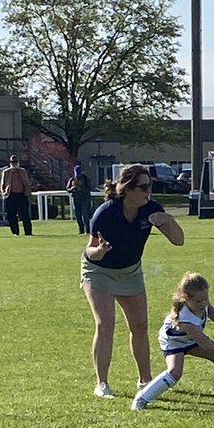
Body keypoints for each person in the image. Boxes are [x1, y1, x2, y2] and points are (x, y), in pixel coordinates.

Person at [82, 163, 184, 398]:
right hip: (99, 271)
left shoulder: (151, 209)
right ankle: (102, 384)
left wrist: (167, 220)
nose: (148, 191)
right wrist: (102, 250)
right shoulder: (106, 212)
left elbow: (179, 241)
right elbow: (90, 251)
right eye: (143, 187)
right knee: (105, 324)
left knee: (139, 326)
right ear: (127, 189)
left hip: (130, 271)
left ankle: (145, 380)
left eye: (150, 186)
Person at [131, 272, 214, 410]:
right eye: (199, 301)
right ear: (185, 298)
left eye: (205, 299)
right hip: (174, 342)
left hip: (191, 339)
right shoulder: (185, 320)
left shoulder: (200, 301)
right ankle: (142, 398)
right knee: (175, 372)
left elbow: (209, 308)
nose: (203, 303)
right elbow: (208, 345)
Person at [0, 155, 33, 236]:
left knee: (25, 214)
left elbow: (27, 183)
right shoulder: (6, 172)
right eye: (12, 162)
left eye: (15, 162)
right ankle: (15, 232)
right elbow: (2, 184)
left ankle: (28, 232)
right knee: (11, 215)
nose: (14, 164)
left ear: (18, 162)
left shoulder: (23, 171)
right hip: (11, 195)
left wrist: (28, 193)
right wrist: (4, 193)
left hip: (22, 195)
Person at [66, 164, 92, 234]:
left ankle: (88, 230)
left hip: (85, 199)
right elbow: (67, 189)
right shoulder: (72, 179)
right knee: (78, 215)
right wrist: (72, 189)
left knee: (85, 215)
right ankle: (81, 230)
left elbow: (89, 189)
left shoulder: (86, 179)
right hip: (76, 199)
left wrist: (80, 188)